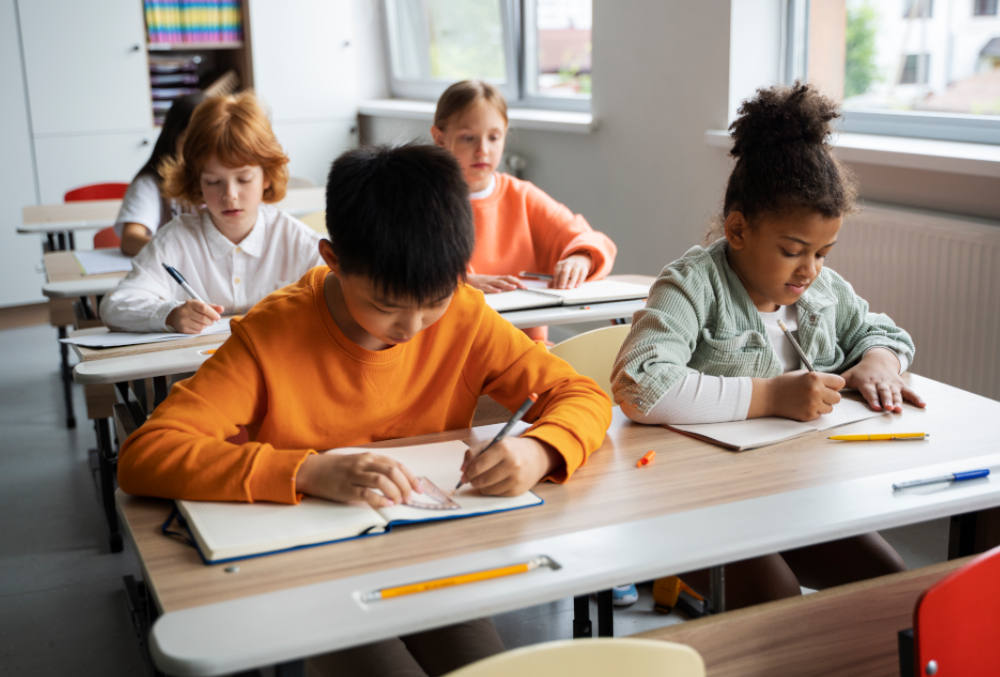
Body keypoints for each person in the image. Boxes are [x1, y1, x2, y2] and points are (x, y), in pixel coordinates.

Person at [117, 143, 613, 676]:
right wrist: (306, 469)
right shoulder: (272, 334)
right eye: (385, 306)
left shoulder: (465, 315)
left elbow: (582, 395)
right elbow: (145, 454)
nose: (413, 327)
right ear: (332, 260)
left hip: (432, 552)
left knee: (485, 668)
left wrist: (538, 449)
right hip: (314, 571)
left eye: (434, 302)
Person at [611, 82, 923, 609]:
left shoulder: (820, 291)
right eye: (792, 250)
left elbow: (886, 332)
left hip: (793, 495)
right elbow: (640, 386)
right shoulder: (691, 286)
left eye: (823, 252)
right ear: (737, 230)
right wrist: (770, 397)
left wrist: (878, 363)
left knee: (890, 587)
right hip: (696, 503)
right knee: (776, 599)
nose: (810, 269)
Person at [100, 91, 323, 334]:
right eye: (214, 182)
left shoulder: (295, 239)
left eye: (244, 179)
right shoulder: (176, 239)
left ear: (267, 177)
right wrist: (170, 314)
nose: (230, 195)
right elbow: (115, 305)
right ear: (197, 182)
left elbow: (345, 292)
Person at [431, 79, 617, 341]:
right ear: (440, 138)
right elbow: (398, 269)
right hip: (455, 348)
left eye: (494, 137)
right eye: (468, 138)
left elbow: (590, 238)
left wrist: (580, 258)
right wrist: (459, 284)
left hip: (525, 349)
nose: (482, 150)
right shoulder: (425, 200)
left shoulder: (522, 196)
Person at [114, 93, 205, 256]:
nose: (199, 151)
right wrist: (184, 253)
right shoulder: (151, 182)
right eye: (189, 141)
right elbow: (130, 239)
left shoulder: (223, 180)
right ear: (174, 137)